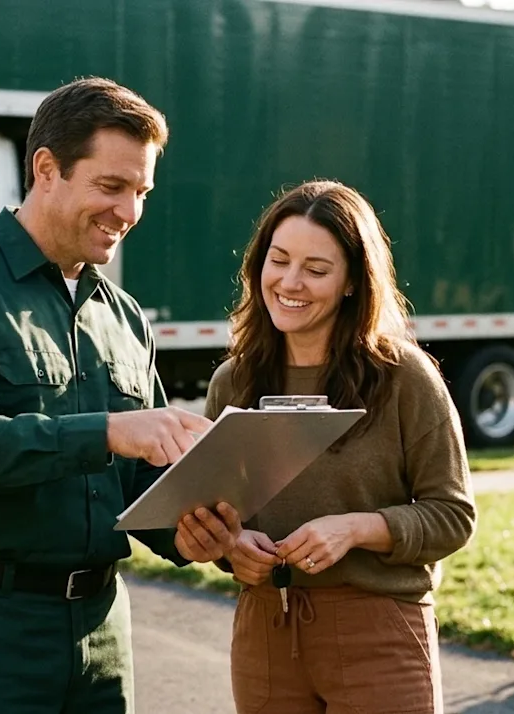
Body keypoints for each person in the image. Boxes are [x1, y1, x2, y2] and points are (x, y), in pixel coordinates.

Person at [0, 77, 225, 714]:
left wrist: (198, 535)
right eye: (111, 186)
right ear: (47, 169)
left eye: (141, 192)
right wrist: (110, 431)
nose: (129, 211)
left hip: (102, 639)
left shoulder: (124, 316)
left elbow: (136, 489)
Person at [179, 180, 477, 713]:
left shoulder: (404, 378)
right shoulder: (234, 383)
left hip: (379, 630)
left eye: (316, 270)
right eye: (279, 261)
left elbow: (453, 516)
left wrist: (357, 529)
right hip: (264, 630)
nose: (290, 282)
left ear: (350, 284)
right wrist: (231, 548)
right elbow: (212, 513)